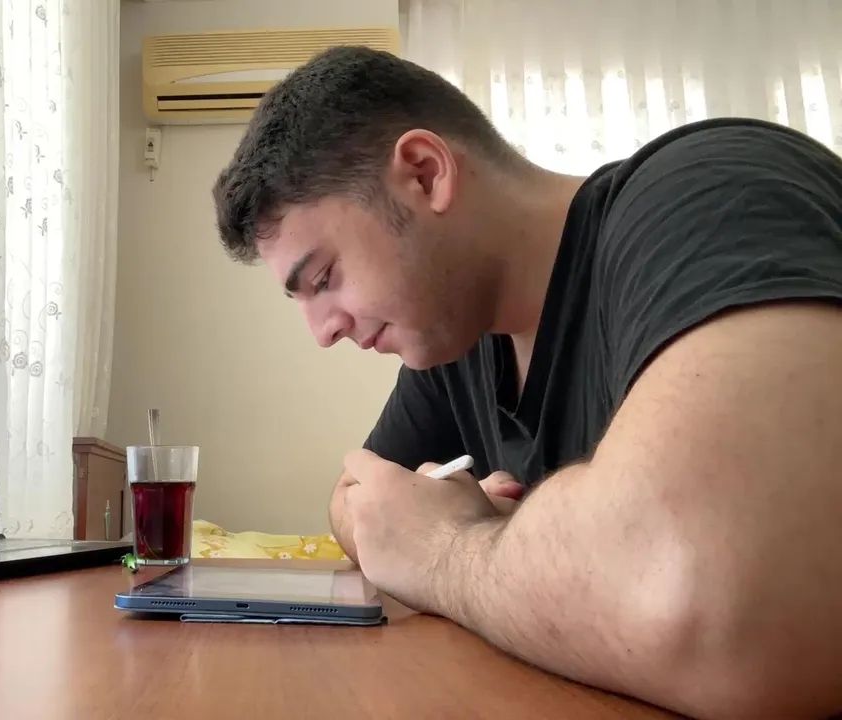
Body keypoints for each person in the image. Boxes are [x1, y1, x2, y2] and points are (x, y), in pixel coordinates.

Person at [211, 46, 842, 719]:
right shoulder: (455, 343)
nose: (322, 331)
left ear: (425, 173)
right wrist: (522, 551)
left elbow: (719, 610)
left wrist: (448, 550)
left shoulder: (708, 198)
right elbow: (359, 499)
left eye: (323, 278)